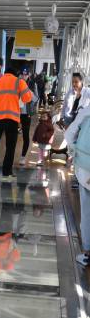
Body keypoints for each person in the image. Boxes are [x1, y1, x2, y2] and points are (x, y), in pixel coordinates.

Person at [0, 65, 32, 180]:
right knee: (10, 146)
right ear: (15, 74)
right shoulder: (19, 82)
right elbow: (28, 98)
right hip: (12, 119)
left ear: (4, 73)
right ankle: (6, 173)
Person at [65, 106, 90, 266]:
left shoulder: (87, 111)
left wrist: (73, 151)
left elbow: (69, 134)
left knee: (87, 210)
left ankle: (87, 253)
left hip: (85, 167)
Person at [19, 67, 38, 166]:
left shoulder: (32, 84)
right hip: (15, 113)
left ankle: (23, 156)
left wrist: (29, 92)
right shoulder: (15, 83)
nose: (24, 76)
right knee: (12, 135)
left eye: (26, 74)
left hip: (26, 113)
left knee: (26, 135)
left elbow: (36, 99)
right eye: (22, 74)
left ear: (29, 75)